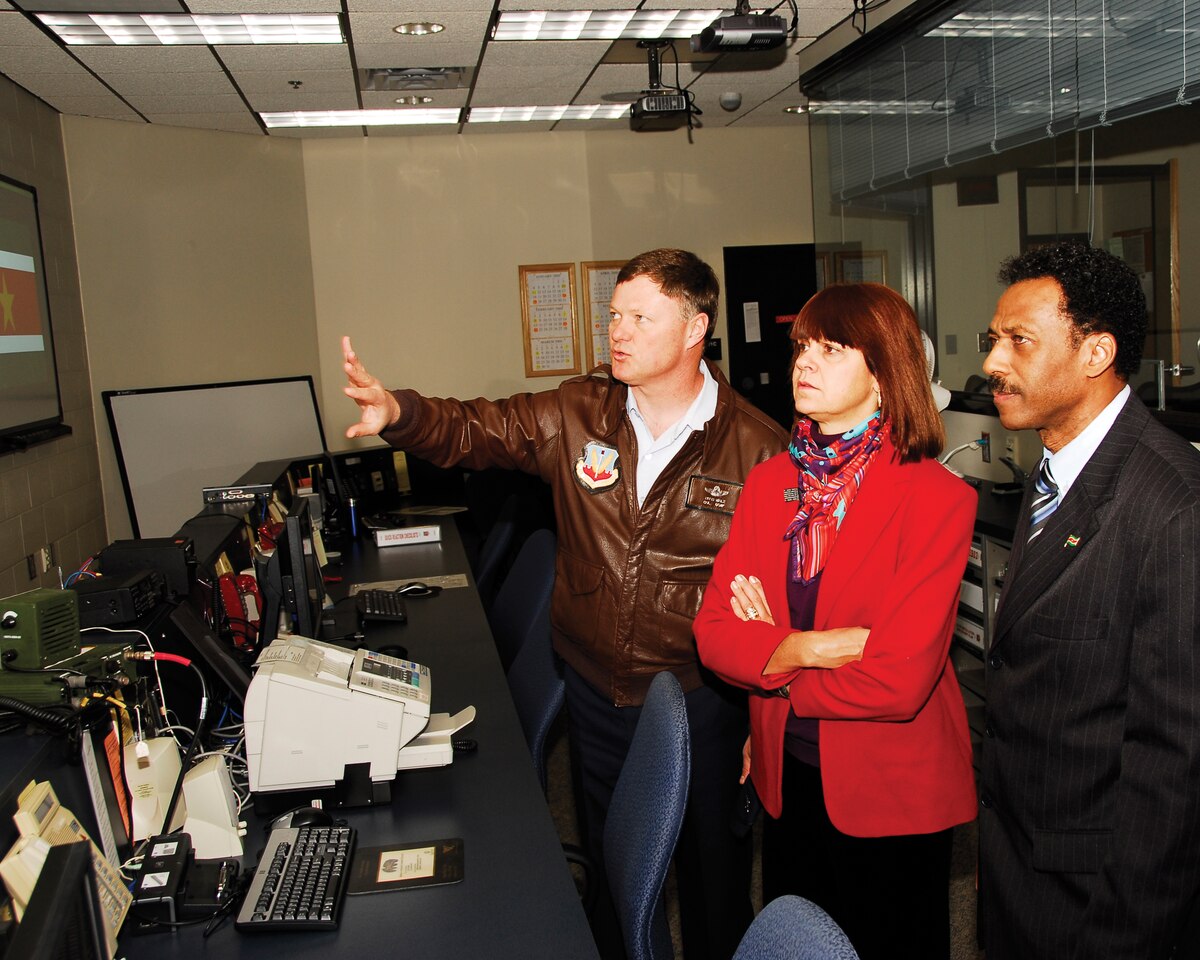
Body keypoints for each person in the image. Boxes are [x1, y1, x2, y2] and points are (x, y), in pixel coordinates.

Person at [342, 248, 788, 960]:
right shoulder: (577, 412)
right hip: (595, 690)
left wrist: (762, 720)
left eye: (642, 317)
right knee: (615, 872)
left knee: (714, 882)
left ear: (696, 327)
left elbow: (779, 607)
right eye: (615, 314)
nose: (619, 330)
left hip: (705, 696)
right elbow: (474, 430)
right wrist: (400, 411)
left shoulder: (761, 449)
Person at [693, 282, 977, 960]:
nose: (804, 364)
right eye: (801, 347)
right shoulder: (769, 486)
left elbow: (901, 682)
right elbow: (711, 634)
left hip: (890, 792)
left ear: (884, 375)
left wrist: (775, 663)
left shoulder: (938, 498)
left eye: (831, 349)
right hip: (788, 778)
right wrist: (814, 649)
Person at [977, 240, 1200, 958]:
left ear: (1096, 354)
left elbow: (1174, 767)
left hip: (1097, 901)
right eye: (993, 340)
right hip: (1023, 856)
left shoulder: (1171, 509)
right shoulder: (1057, 472)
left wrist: (1126, 932)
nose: (992, 364)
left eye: (1018, 341)